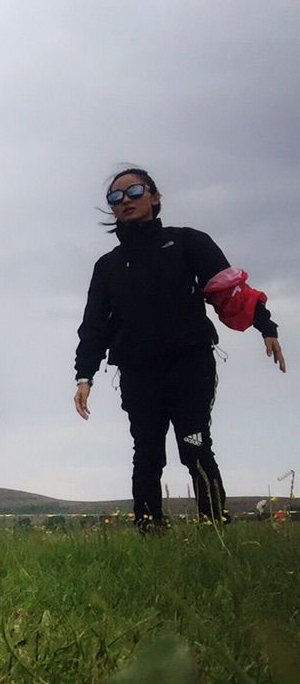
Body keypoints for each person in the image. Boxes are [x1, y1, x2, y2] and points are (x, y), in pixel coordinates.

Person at [74, 166, 283, 527]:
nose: (125, 201)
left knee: (196, 447)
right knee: (148, 454)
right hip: (139, 373)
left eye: (134, 191)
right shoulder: (108, 266)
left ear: (155, 198)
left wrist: (266, 325)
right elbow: (95, 325)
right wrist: (84, 376)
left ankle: (214, 526)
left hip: (190, 366)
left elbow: (229, 291)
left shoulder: (188, 242)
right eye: (115, 197)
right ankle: (149, 530)